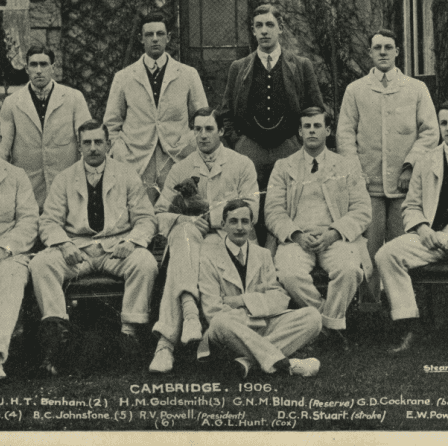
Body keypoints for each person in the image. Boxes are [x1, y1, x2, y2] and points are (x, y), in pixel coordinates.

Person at [29, 120, 158, 375]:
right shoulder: (65, 178)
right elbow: (49, 221)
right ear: (79, 147)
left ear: (108, 144)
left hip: (115, 248)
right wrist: (64, 244)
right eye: (87, 143)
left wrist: (131, 241)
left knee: (145, 263)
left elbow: (146, 218)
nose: (93, 148)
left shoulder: (126, 174)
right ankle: (58, 335)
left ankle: (129, 334)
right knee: (40, 264)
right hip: (78, 250)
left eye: (99, 142)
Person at [149, 107, 259, 373]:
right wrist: (184, 220)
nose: (202, 135)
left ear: (221, 131)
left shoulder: (241, 164)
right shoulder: (181, 168)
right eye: (197, 129)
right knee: (184, 235)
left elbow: (252, 211)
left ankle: (165, 344)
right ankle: (189, 315)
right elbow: (158, 214)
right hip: (191, 238)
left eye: (209, 129)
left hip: (230, 239)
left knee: (185, 255)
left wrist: (211, 217)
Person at [336, 29, 439, 309]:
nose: (383, 52)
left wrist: (410, 166)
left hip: (405, 188)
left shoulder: (415, 88)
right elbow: (345, 134)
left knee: (401, 249)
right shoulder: (355, 90)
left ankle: (403, 310)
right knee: (368, 250)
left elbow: (430, 132)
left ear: (397, 52)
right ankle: (369, 309)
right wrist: (356, 174)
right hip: (367, 186)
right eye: (377, 48)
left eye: (388, 47)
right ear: (370, 52)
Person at [265, 107, 372, 348]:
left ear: (328, 130)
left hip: (335, 237)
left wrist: (333, 233)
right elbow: (272, 211)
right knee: (289, 274)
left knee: (349, 269)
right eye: (307, 126)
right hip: (297, 239)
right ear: (300, 132)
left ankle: (326, 325)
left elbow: (362, 209)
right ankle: (329, 327)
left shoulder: (347, 165)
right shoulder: (284, 166)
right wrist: (296, 235)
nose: (312, 131)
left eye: (317, 126)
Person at [221, 4, 323, 243]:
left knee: (288, 204)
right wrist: (239, 142)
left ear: (281, 28)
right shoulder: (239, 68)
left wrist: (298, 141)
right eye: (259, 26)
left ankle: (283, 253)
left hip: (288, 147)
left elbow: (316, 109)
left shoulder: (301, 66)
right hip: (250, 149)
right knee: (249, 205)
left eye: (269, 25)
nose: (264, 31)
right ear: (253, 31)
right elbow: (226, 113)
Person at [197, 199, 322, 378]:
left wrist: (241, 301)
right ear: (223, 225)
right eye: (233, 221)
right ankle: (286, 363)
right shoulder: (209, 257)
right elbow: (212, 310)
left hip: (262, 324)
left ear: (251, 225)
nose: (239, 227)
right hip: (232, 329)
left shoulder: (263, 255)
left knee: (313, 317)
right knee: (219, 322)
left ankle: (249, 361)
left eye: (245, 222)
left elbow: (280, 299)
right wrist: (258, 306)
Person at [104, 12, 208, 204]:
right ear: (141, 39)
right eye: (149, 34)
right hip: (136, 160)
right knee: (139, 213)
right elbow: (111, 124)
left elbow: (203, 119)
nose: (154, 39)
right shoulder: (124, 77)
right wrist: (120, 151)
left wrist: (188, 144)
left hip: (176, 158)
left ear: (168, 37)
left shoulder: (188, 75)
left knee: (175, 212)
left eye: (160, 34)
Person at [376, 102, 448, 353]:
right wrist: (423, 228)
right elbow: (411, 206)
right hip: (431, 238)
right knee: (387, 254)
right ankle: (408, 325)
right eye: (444, 123)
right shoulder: (427, 160)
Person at [0, 46, 91, 210]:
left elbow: (87, 143)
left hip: (67, 192)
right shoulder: (12, 103)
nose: (39, 70)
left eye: (44, 64)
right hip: (28, 194)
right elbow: (1, 151)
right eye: (33, 65)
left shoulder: (74, 98)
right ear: (26, 69)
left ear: (53, 67)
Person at [0, 116, 39, 387]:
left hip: (4, 255)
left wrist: (4, 248)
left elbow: (29, 221)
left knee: (12, 279)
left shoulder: (16, 176)